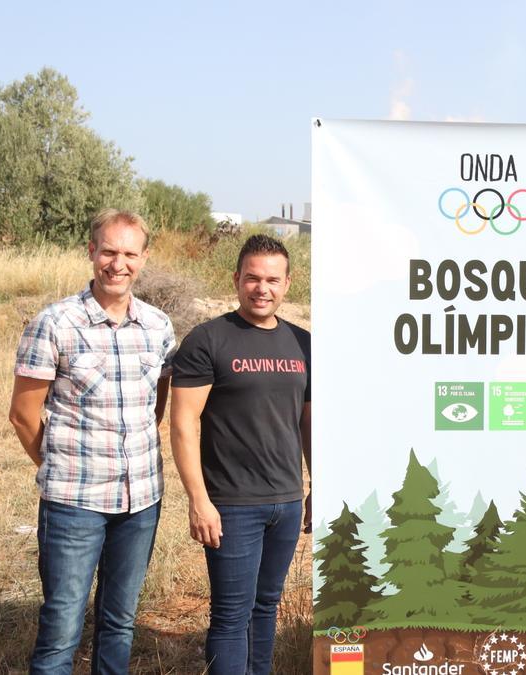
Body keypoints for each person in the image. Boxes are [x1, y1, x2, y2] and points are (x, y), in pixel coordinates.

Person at [9, 209, 176, 674]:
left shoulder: (159, 327)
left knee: (120, 623)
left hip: (141, 500)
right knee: (62, 628)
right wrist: (61, 464)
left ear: (143, 258)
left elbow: (155, 406)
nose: (117, 263)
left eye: (128, 253)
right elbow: (23, 415)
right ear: (91, 252)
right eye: (108, 251)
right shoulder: (55, 323)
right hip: (74, 502)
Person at [170, 234, 311, 675]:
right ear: (236, 280)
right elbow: (182, 424)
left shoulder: (304, 343)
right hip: (230, 504)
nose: (262, 288)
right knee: (231, 614)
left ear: (288, 283)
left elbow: (309, 422)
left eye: (272, 279)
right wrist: (199, 499)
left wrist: (317, 483)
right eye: (252, 278)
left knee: (266, 604)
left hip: (286, 501)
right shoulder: (209, 339)